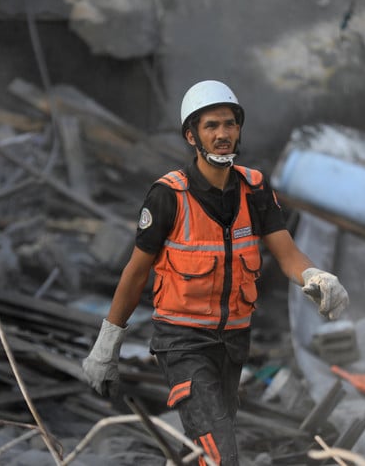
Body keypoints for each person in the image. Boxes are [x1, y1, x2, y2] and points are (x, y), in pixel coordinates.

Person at [82, 80, 349, 465]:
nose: (223, 134)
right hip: (182, 342)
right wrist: (107, 346)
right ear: (192, 136)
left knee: (205, 444)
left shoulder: (255, 189)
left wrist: (316, 276)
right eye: (211, 126)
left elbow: (286, 251)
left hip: (233, 343)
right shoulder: (168, 196)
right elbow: (135, 273)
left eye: (230, 124)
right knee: (220, 451)